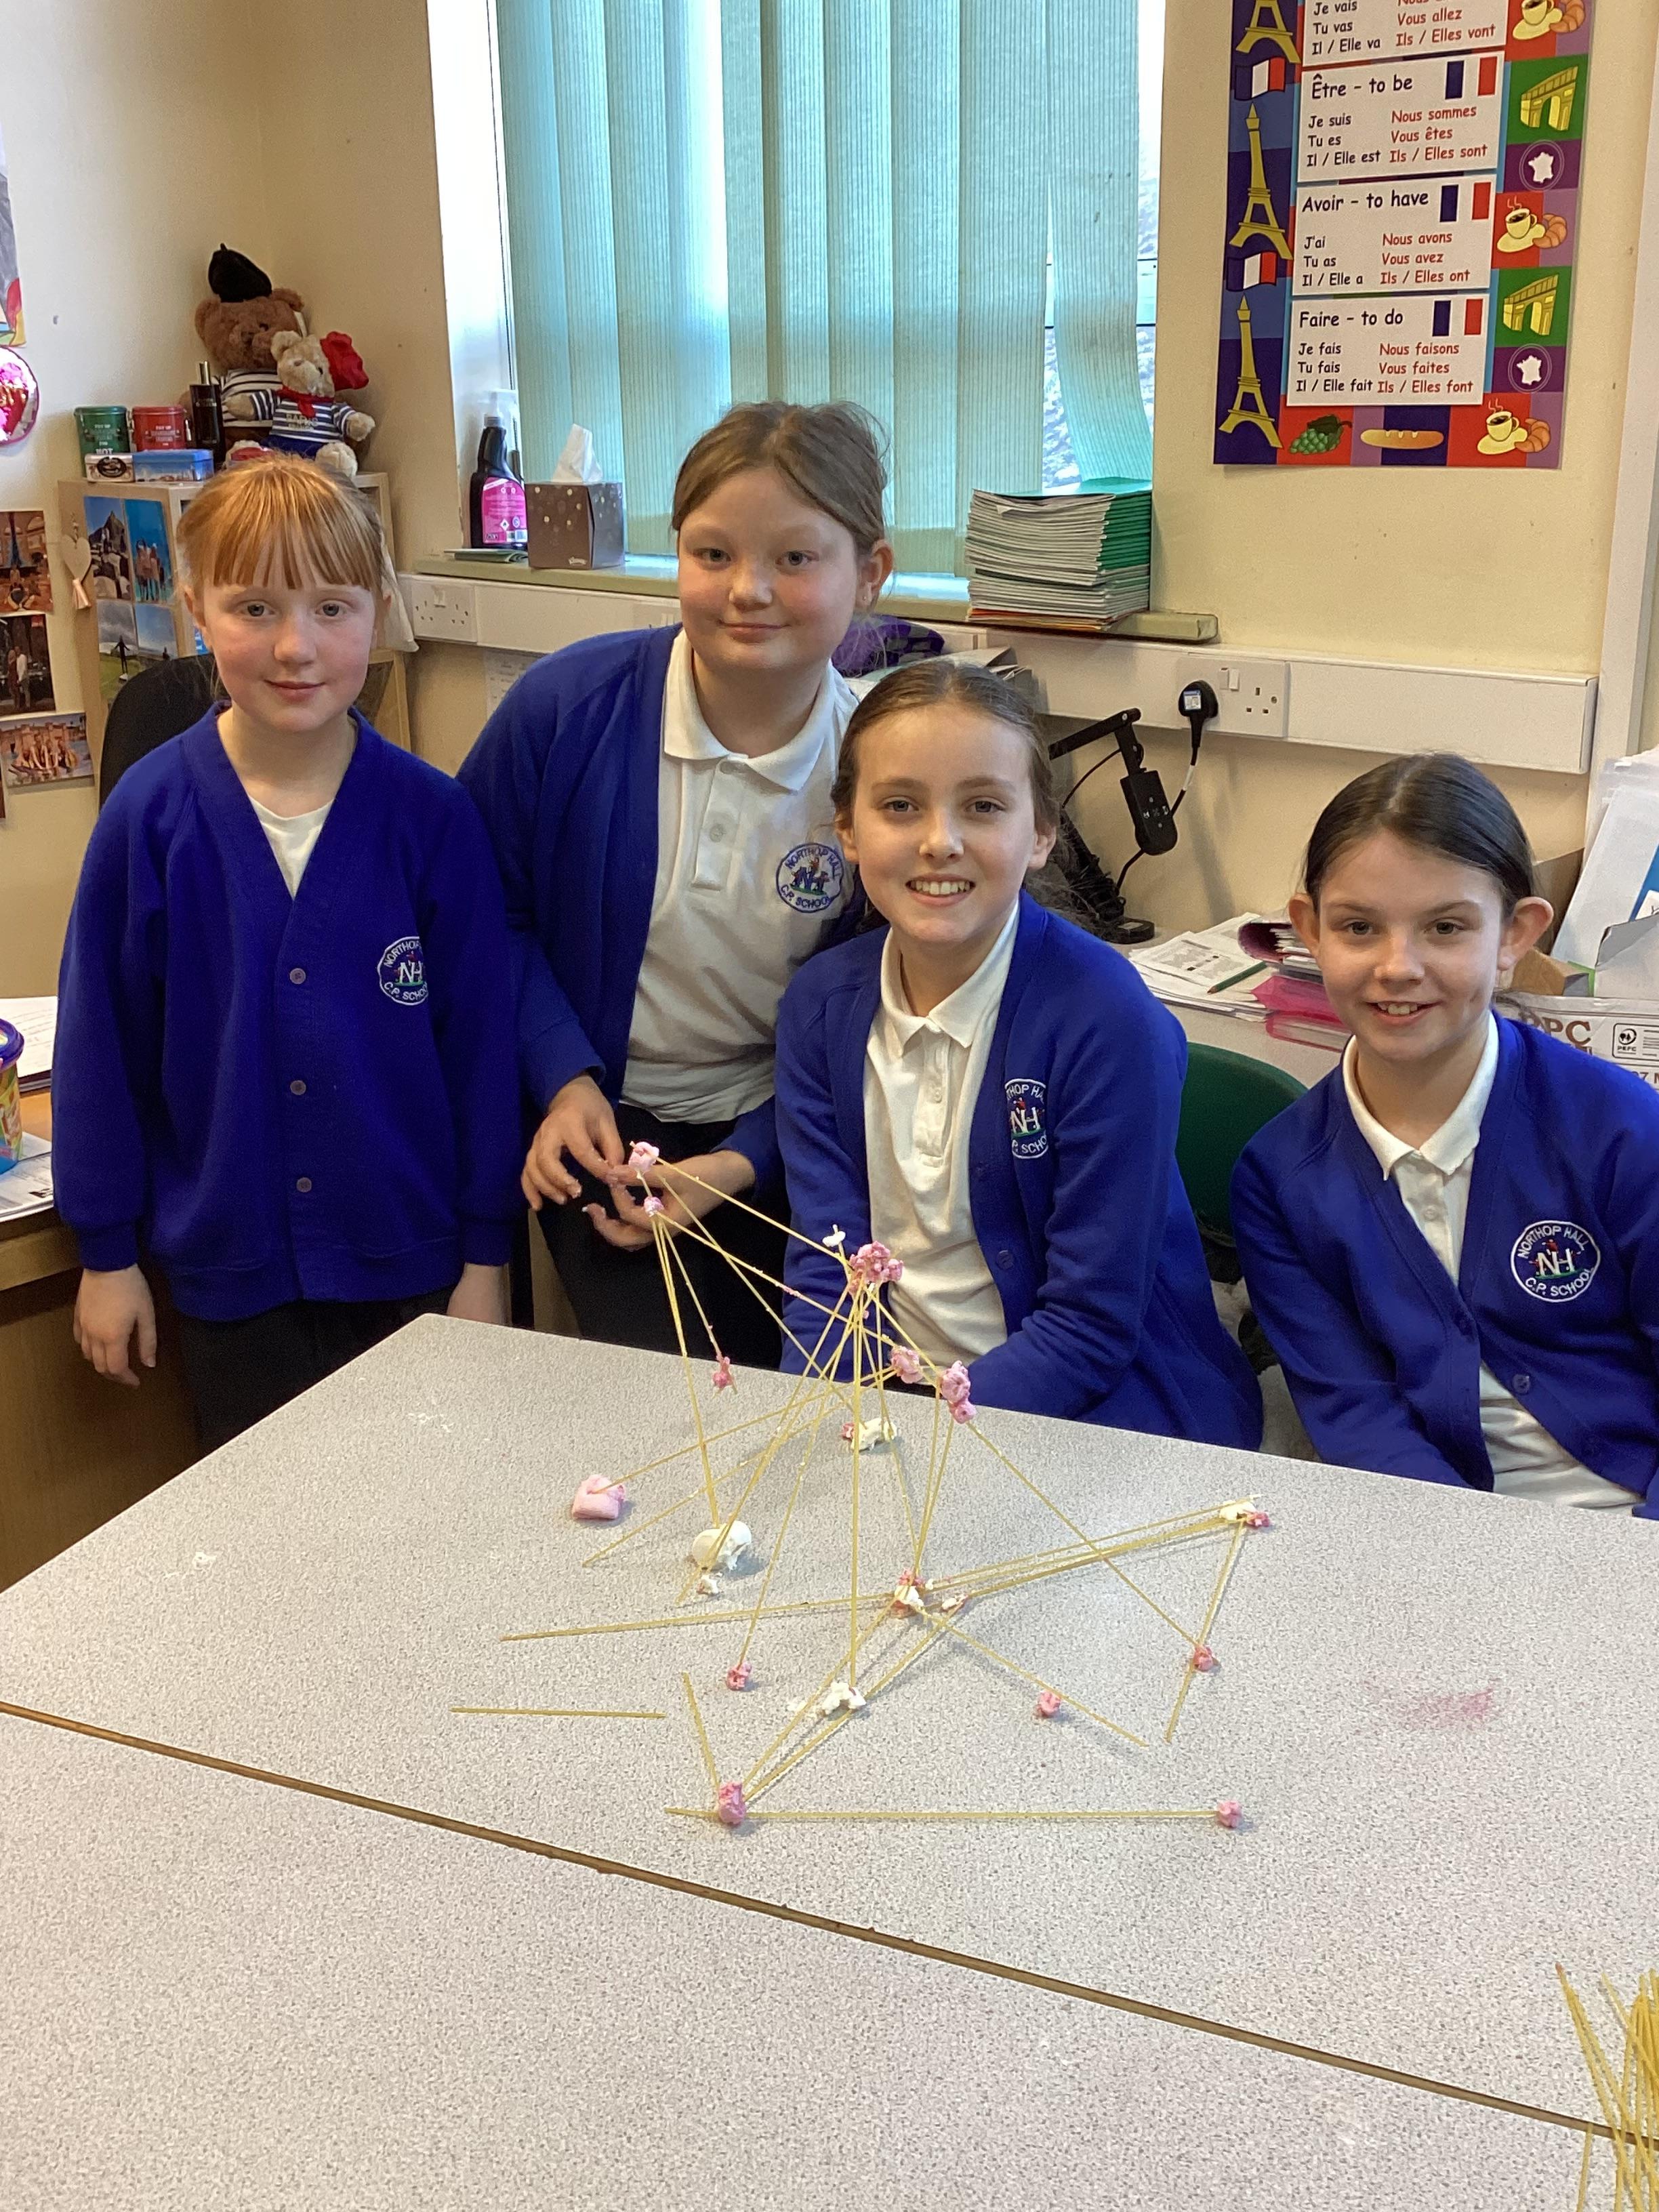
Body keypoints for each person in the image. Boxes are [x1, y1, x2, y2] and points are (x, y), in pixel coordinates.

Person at [54, 454, 521, 1451]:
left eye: (332, 608)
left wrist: (487, 1258)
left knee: (427, 1513)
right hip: (231, 1280)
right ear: (195, 610)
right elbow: (101, 1049)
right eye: (255, 608)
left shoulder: (432, 820)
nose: (296, 646)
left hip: (415, 1267)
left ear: (378, 612)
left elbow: (481, 1055)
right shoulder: (150, 818)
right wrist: (105, 1253)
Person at [458, 401, 893, 1370]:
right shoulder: (565, 708)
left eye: (795, 558)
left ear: (870, 572)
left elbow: (883, 1019)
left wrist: (747, 1159)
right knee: (672, 1386)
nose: (749, 590)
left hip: (794, 1134)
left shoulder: (885, 771)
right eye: (712, 554)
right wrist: (562, 1078)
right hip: (600, 1123)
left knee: (821, 1384)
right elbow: (482, 913)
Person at [772, 660, 1262, 1443]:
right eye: (900, 806)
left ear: (1041, 834)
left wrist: (925, 1438)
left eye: (983, 806)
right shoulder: (819, 1008)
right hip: (900, 1411)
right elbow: (828, 1270)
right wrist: (827, 1417)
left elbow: (1089, 1327)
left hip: (1100, 1412)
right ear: (848, 831)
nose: (940, 841)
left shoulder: (1106, 1019)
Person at [1231, 752, 1659, 1517]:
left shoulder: (1622, 1129)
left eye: (1446, 927)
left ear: (1515, 935)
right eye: (1359, 927)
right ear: (1310, 931)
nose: (1398, 967)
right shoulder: (1279, 1177)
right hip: (1435, 1522)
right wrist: (1465, 1550)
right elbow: (1357, 1415)